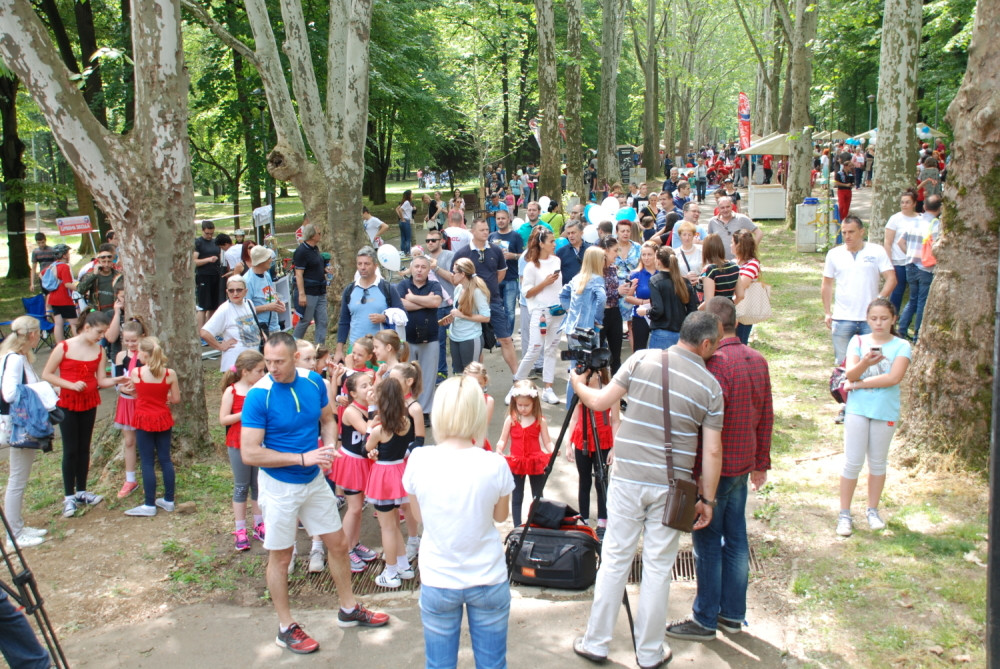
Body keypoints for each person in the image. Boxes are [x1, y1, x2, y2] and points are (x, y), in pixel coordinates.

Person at [571, 312, 724, 669]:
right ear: (705, 344)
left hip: (627, 476)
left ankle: (596, 642)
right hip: (673, 487)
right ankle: (650, 652)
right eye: (715, 344)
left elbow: (599, 402)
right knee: (658, 567)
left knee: (615, 560)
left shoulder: (641, 359)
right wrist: (707, 499)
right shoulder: (710, 387)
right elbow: (712, 451)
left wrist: (577, 384)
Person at [240, 332, 389, 654]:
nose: (272, 368)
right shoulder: (259, 395)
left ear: (295, 358)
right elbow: (249, 452)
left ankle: (348, 608)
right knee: (281, 557)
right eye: (268, 361)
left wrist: (330, 447)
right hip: (279, 487)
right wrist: (302, 458)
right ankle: (285, 627)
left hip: (313, 481)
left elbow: (327, 419)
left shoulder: (312, 382)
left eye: (279, 362)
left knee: (338, 544)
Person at [665, 297, 773, 642]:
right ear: (736, 323)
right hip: (742, 464)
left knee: (708, 543)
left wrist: (693, 472)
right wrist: (761, 462)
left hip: (713, 471)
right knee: (737, 538)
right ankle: (732, 614)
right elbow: (767, 414)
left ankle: (705, 618)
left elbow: (699, 423)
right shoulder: (758, 360)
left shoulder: (713, 364)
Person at [402, 376, 513, 668]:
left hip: (438, 577)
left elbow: (419, 517)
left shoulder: (419, 460)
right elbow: (501, 517)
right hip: (488, 576)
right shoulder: (495, 464)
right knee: (493, 664)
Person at [836, 298, 911, 537]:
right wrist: (865, 362)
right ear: (867, 320)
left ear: (893, 320)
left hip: (885, 410)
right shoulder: (858, 341)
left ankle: (872, 510)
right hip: (858, 410)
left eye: (884, 318)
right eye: (874, 318)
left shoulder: (902, 346)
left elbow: (893, 378)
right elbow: (850, 374)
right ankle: (844, 513)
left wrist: (858, 385)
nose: (879, 323)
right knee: (853, 461)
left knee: (878, 462)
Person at [42, 311, 125, 518]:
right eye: (99, 332)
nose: (102, 336)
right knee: (70, 449)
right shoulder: (64, 347)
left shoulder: (99, 350)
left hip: (89, 402)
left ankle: (82, 490)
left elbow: (101, 380)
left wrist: (118, 380)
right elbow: (47, 374)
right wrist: (70, 385)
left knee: (84, 448)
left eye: (104, 333)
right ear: (86, 328)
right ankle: (69, 496)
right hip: (68, 403)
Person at [821, 215, 896, 423]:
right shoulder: (834, 254)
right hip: (842, 318)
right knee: (845, 365)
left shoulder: (876, 251)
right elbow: (827, 283)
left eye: (851, 232)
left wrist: (879, 302)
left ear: (862, 232)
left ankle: (873, 404)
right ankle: (846, 406)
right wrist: (828, 312)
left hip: (870, 321)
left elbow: (891, 278)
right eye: (844, 232)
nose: (847, 236)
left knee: (874, 362)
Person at [1, 317, 48, 549]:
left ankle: (17, 526)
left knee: (19, 477)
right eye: (38, 333)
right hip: (20, 424)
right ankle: (14, 535)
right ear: (31, 335)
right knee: (17, 479)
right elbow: (9, 393)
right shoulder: (15, 360)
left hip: (21, 422)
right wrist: (38, 391)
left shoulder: (15, 356)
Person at [364, 378, 416, 588]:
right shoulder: (406, 422)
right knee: (393, 523)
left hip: (383, 477)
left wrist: (370, 425)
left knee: (386, 527)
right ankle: (404, 566)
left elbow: (367, 447)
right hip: (400, 472)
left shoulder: (379, 429)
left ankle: (391, 571)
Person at [123, 337, 180, 517]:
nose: (137, 354)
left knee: (147, 461)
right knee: (165, 459)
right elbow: (176, 399)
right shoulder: (169, 373)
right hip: (163, 418)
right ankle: (169, 500)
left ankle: (149, 504)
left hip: (143, 419)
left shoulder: (137, 373)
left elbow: (134, 392)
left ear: (145, 354)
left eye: (139, 351)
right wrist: (164, 398)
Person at [452, 219, 518, 374]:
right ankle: (480, 380)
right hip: (471, 304)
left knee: (505, 339)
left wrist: (484, 291)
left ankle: (517, 376)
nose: (486, 232)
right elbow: (455, 277)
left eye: (487, 229)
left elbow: (501, 273)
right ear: (472, 232)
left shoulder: (496, 250)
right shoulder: (462, 253)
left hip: (493, 301)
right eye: (482, 230)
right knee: (478, 343)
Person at [329, 372, 378, 573]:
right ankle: (346, 550)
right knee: (355, 508)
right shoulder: (351, 411)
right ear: (353, 393)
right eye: (364, 386)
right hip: (351, 463)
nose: (370, 388)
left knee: (359, 506)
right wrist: (374, 408)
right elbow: (368, 431)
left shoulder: (369, 407)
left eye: (370, 384)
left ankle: (354, 543)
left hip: (363, 461)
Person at [219, 350, 267, 551]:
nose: (263, 374)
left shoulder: (261, 389)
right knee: (241, 485)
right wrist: (244, 413)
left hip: (258, 443)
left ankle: (259, 524)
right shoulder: (232, 391)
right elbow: (223, 419)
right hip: (237, 443)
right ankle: (240, 529)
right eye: (259, 371)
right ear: (245, 372)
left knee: (257, 484)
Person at [510, 228, 563, 403]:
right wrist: (545, 282)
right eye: (551, 241)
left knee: (551, 349)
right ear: (541, 244)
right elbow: (526, 293)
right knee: (534, 348)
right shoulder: (531, 266)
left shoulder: (556, 260)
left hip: (557, 311)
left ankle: (548, 388)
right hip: (540, 312)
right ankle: (516, 384)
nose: (554, 244)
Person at [566, 368, 619, 538]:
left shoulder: (610, 391)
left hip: (603, 440)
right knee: (584, 480)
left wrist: (614, 448)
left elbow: (615, 420)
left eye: (591, 374)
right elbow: (574, 418)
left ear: (600, 373)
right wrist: (568, 443)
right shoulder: (581, 392)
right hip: (582, 439)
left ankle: (603, 520)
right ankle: (584, 520)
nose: (587, 377)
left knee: (601, 480)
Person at [495, 380, 553, 526]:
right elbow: (503, 439)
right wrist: (499, 448)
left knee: (538, 495)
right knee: (517, 496)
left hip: (535, 461)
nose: (523, 408)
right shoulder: (511, 420)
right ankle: (517, 525)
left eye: (526, 405)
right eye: (519, 405)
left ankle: (538, 523)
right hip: (517, 462)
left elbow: (547, 441)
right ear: (515, 402)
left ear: (534, 403)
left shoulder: (540, 420)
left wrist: (553, 449)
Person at [333, 247, 403, 363]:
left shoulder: (387, 288)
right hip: (356, 349)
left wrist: (385, 318)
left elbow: (402, 315)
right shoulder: (349, 290)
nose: (363, 267)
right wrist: (339, 350)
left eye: (367, 264)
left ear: (375, 266)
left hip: (381, 350)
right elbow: (344, 321)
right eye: (359, 264)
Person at [396, 255, 443, 413]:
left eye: (423, 267)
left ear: (429, 270)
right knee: (406, 376)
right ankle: (409, 409)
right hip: (407, 340)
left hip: (430, 339)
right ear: (411, 268)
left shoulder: (434, 285)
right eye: (416, 266)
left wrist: (412, 298)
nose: (419, 270)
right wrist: (425, 302)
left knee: (428, 377)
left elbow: (435, 302)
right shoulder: (403, 285)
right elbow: (401, 305)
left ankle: (425, 411)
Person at [897, 195, 940, 342]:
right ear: (940, 209)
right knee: (922, 302)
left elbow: (900, 242)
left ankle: (901, 330)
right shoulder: (936, 224)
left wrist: (910, 254)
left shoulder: (914, 221)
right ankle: (917, 334)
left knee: (912, 299)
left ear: (924, 207)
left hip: (910, 265)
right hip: (926, 267)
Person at [200, 275, 263, 372]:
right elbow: (204, 332)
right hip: (234, 365)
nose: (235, 293)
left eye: (239, 290)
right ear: (227, 292)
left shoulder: (249, 303)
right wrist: (220, 346)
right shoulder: (224, 309)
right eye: (231, 290)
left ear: (245, 291)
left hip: (253, 362)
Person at [113, 319, 147, 499]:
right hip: (126, 402)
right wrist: (123, 388)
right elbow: (117, 380)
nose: (130, 344)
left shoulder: (146, 355)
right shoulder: (121, 356)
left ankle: (148, 477)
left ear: (142, 337)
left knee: (145, 441)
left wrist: (138, 389)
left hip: (142, 402)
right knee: (129, 441)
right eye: (127, 341)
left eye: (134, 340)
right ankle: (130, 479)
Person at [442, 258, 490, 374]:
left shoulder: (477, 292)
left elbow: (486, 317)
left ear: (462, 274)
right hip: (455, 336)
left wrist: (462, 315)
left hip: (470, 337)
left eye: (454, 272)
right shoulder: (459, 288)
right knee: (458, 373)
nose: (452, 275)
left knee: (471, 374)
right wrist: (452, 317)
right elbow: (459, 311)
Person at [883, 190, 921, 314]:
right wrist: (889, 262)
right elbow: (888, 242)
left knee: (916, 291)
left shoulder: (920, 219)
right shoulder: (895, 219)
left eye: (907, 202)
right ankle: (893, 315)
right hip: (898, 261)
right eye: (902, 202)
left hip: (915, 261)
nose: (904, 205)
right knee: (898, 290)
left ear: (914, 204)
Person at [291, 223, 329, 344]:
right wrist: (301, 294)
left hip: (320, 290)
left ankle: (320, 347)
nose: (321, 235)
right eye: (319, 233)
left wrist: (325, 270)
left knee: (322, 321)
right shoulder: (301, 251)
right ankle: (293, 344)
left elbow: (314, 267)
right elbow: (299, 274)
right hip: (309, 292)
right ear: (312, 235)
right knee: (305, 320)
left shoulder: (315, 249)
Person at [489, 209, 524, 337]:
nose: (501, 221)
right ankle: (498, 335)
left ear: (509, 219)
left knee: (509, 310)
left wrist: (512, 256)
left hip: (511, 278)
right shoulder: (491, 237)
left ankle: (507, 337)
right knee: (496, 309)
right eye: (498, 218)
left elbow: (523, 257)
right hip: (495, 279)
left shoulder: (516, 236)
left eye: (503, 218)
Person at [244, 245, 285, 335]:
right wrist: (268, 307)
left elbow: (269, 295)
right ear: (261, 262)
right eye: (268, 258)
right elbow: (245, 310)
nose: (271, 260)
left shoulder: (266, 274)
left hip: (274, 326)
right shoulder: (247, 281)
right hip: (259, 329)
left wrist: (277, 303)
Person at [625, 241, 658, 351]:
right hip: (640, 316)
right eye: (644, 255)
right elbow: (628, 297)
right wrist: (644, 302)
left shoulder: (662, 273)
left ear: (656, 255)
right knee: (639, 349)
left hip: (659, 315)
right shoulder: (635, 274)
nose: (646, 258)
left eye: (649, 254)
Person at [732, 230, 762, 345]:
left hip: (745, 310)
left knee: (741, 342)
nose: (730, 246)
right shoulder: (733, 262)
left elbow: (743, 284)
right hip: (732, 308)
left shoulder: (753, 263)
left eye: (732, 243)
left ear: (739, 246)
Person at [44, 243, 77, 343]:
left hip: (53, 298)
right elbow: (67, 284)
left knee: (58, 323)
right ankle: (78, 344)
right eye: (68, 253)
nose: (69, 255)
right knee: (74, 323)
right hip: (64, 299)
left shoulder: (52, 266)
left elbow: (42, 275)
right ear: (64, 255)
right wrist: (80, 289)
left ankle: (60, 345)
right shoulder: (64, 267)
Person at [193, 220, 222, 329]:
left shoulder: (215, 243)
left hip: (215, 276)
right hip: (203, 276)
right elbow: (194, 261)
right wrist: (208, 260)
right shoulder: (198, 243)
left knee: (213, 306)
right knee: (203, 306)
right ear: (202, 231)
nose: (209, 236)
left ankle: (210, 329)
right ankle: (200, 331)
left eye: (211, 233)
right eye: (207, 233)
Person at [699, 234, 740, 306]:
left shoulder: (709, 270)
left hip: (713, 311)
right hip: (729, 310)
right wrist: (729, 305)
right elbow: (741, 295)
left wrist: (697, 310)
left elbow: (709, 301)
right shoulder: (734, 266)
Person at [555, 219, 591, 285]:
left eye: (573, 233)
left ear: (581, 233)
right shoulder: (561, 252)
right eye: (568, 233)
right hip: (569, 289)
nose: (570, 236)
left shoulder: (590, 250)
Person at [395, 190, 415, 256]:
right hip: (406, 220)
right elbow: (400, 209)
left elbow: (397, 209)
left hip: (403, 221)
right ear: (409, 195)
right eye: (411, 194)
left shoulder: (405, 202)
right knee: (408, 238)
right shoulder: (407, 202)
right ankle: (407, 252)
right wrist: (402, 218)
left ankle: (403, 252)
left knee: (403, 238)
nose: (413, 195)